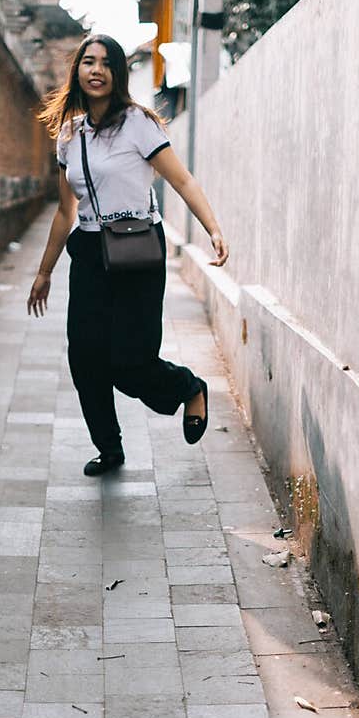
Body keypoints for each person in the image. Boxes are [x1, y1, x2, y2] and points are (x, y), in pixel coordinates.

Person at [27, 33, 229, 476]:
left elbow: (183, 181)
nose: (95, 70)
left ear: (117, 74)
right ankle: (110, 448)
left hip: (137, 251)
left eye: (105, 63)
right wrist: (44, 272)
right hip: (89, 253)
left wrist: (212, 228)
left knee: (130, 361)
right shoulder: (68, 135)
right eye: (88, 62)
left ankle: (188, 387)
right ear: (77, 71)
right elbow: (65, 211)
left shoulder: (138, 123)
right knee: (85, 357)